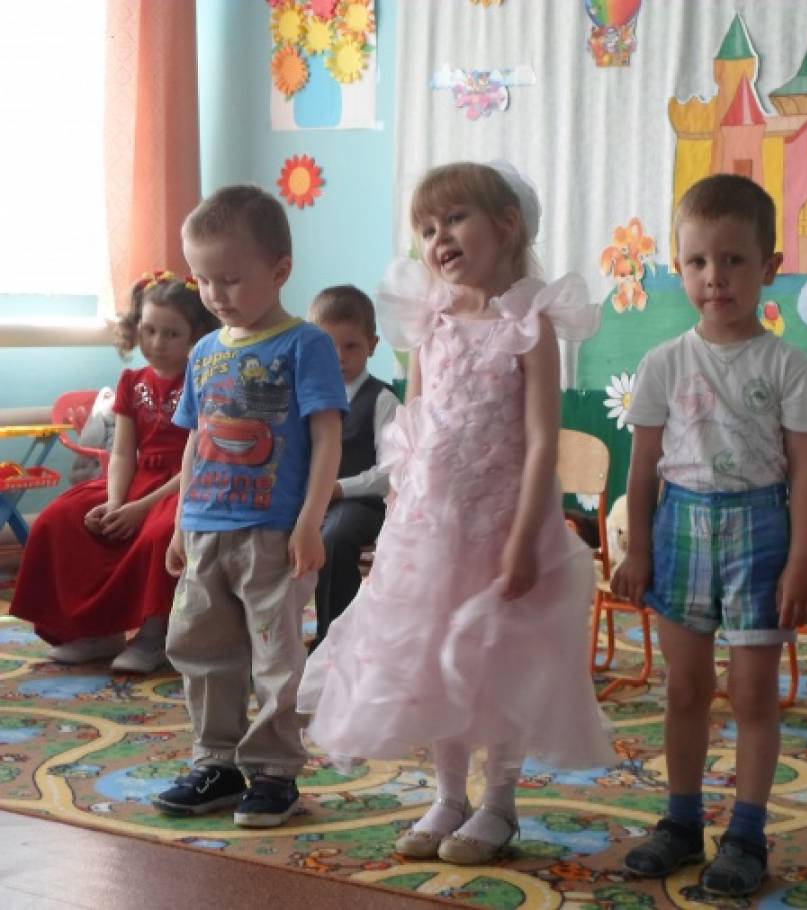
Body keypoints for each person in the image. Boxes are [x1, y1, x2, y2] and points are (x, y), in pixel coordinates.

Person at [298, 161, 615, 865]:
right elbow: (414, 425)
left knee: (496, 660)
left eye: (455, 220)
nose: (439, 238)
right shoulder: (431, 321)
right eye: (427, 228)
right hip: (431, 525)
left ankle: (498, 804)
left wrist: (526, 537)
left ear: (506, 226)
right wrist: (400, 517)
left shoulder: (529, 323)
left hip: (504, 524)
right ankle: (447, 796)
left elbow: (542, 440)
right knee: (433, 656)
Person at [611, 174, 807, 897]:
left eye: (734, 260)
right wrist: (639, 548)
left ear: (769, 267)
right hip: (680, 528)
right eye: (699, 261)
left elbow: (805, 475)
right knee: (685, 689)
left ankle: (746, 834)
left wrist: (802, 561)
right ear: (679, 268)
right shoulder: (663, 363)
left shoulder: (789, 367)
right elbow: (642, 467)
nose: (715, 277)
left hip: (761, 533)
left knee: (753, 693)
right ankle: (680, 822)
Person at [152, 185, 347, 828]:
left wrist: (310, 522)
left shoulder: (305, 344)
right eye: (203, 280)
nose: (215, 294)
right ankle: (217, 762)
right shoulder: (205, 353)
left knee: (275, 656)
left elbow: (326, 439)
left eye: (230, 279)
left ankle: (272, 771)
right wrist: (181, 523)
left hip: (272, 533)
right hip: (205, 529)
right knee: (201, 648)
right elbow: (196, 442)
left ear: (280, 269)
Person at [9, 274, 219, 673]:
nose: (157, 343)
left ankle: (154, 636)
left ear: (196, 335)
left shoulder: (206, 382)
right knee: (59, 518)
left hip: (182, 483)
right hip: (133, 480)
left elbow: (200, 456)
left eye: (172, 334)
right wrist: (115, 502)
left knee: (159, 533)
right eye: (149, 330)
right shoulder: (131, 382)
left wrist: (140, 508)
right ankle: (96, 631)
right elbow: (122, 452)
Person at [306, 285, 397, 649]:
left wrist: (340, 488)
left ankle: (334, 639)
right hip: (312, 499)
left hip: (361, 504)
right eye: (329, 347)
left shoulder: (382, 400)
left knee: (334, 537)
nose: (339, 357)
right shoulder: (306, 397)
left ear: (372, 346)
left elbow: (390, 473)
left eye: (351, 346)